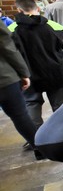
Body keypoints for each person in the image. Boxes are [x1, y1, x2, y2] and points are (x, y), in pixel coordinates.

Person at [9, 0, 63, 128]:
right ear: (37, 8)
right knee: (60, 106)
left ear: (19, 10)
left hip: (27, 74)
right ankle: (62, 135)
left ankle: (36, 139)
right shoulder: (54, 26)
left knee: (31, 104)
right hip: (55, 72)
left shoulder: (11, 29)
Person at [0, 22, 43, 159]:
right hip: (4, 77)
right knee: (19, 116)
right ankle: (39, 149)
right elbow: (8, 48)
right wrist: (24, 73)